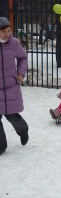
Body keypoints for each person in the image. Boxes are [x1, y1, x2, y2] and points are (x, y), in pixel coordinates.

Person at [0, 17, 29, 155]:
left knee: (12, 115)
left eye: (8, 30)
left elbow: (23, 58)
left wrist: (20, 74)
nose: (7, 34)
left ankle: (24, 131)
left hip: (11, 86)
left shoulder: (14, 43)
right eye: (3, 31)